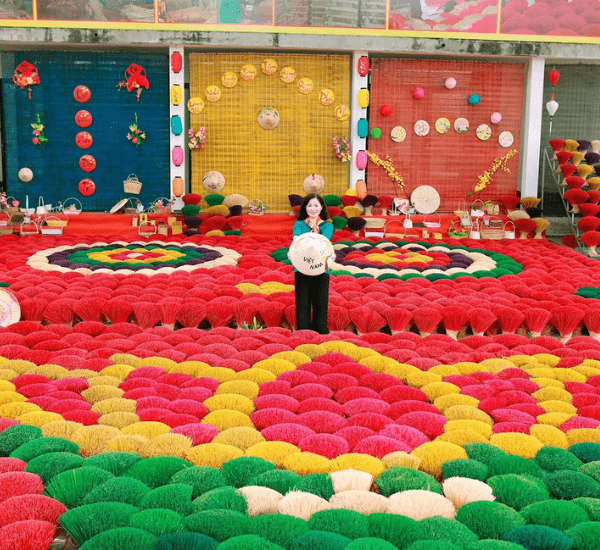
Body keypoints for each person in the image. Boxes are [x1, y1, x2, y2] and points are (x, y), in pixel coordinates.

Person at [292, 193, 334, 334]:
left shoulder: (328, 226)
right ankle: (303, 335)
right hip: (302, 267)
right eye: (310, 205)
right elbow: (297, 242)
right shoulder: (298, 224)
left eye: (316, 205)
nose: (313, 209)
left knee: (321, 304)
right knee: (302, 304)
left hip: (322, 269)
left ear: (321, 207)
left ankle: (321, 333)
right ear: (305, 207)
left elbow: (322, 242)